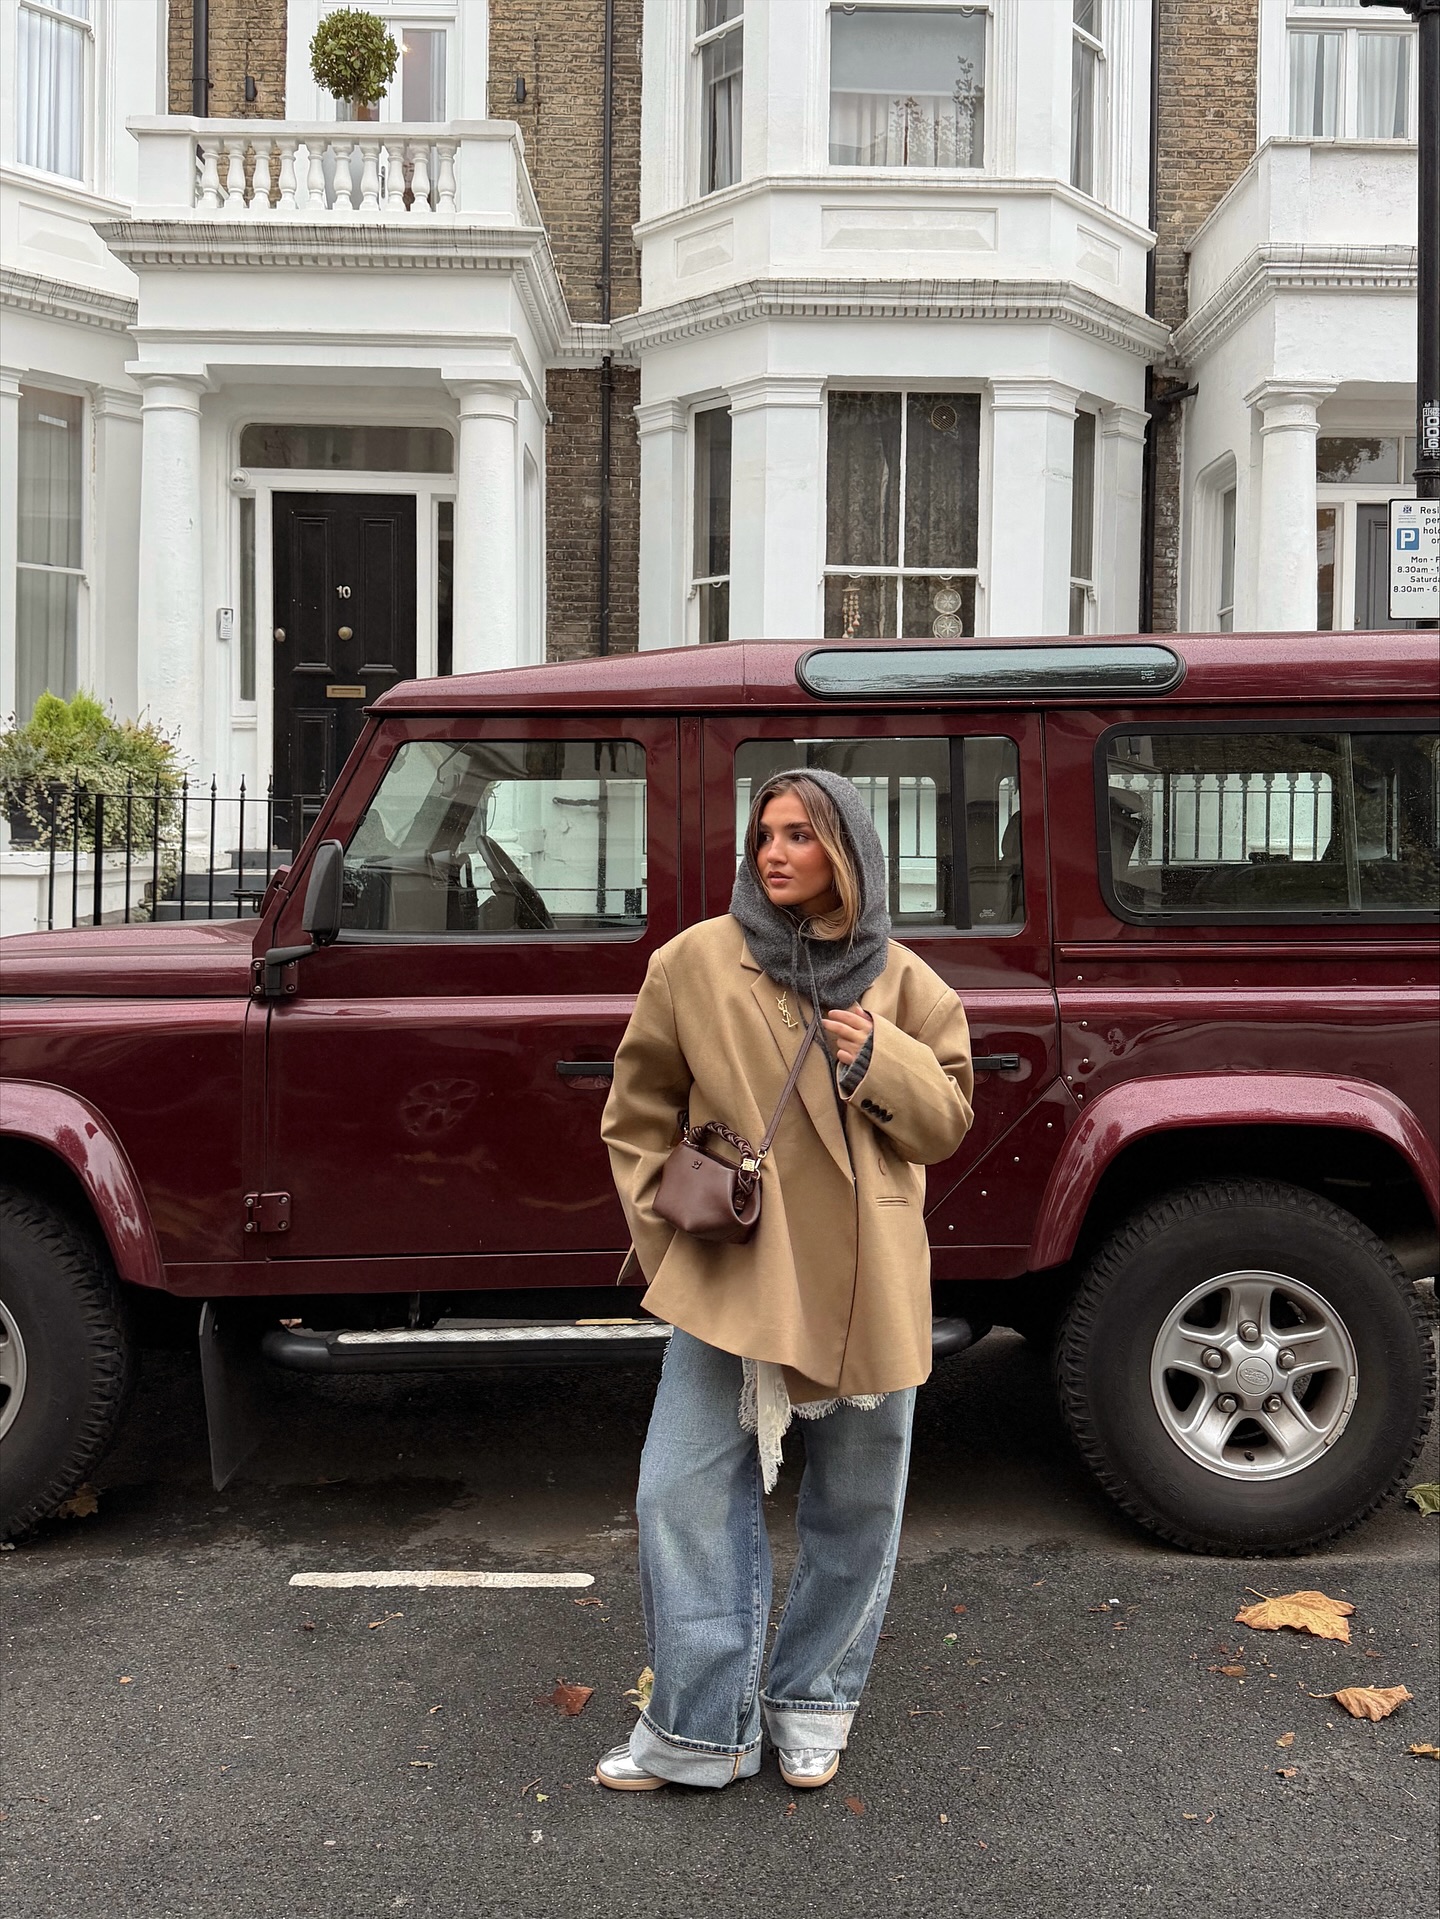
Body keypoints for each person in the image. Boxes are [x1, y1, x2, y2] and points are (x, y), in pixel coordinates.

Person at [595, 768, 974, 1793]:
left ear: (846, 849)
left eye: (800, 833)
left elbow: (947, 1119)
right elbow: (637, 1117)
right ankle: (698, 1725)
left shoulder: (904, 981)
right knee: (677, 1489)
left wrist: (878, 1058)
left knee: (856, 1502)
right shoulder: (695, 964)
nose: (773, 851)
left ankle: (813, 1702)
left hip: (866, 1277)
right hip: (734, 1270)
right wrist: (675, 1246)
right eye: (764, 833)